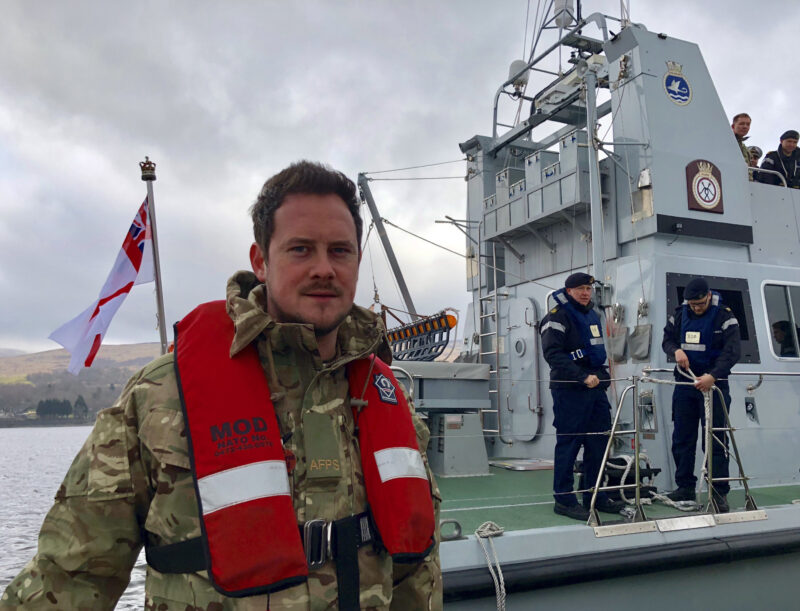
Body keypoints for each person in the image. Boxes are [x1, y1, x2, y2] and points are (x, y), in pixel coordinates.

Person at [0, 161, 442, 610]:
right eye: (301, 249)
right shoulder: (159, 397)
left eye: (340, 251)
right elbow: (69, 578)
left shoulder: (387, 397)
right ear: (260, 262)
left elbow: (417, 573)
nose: (324, 269)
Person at [540, 272, 625, 521]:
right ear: (568, 291)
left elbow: (596, 351)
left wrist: (601, 377)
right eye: (579, 289)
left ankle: (594, 494)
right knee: (569, 443)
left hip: (595, 389)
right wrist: (581, 376)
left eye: (588, 288)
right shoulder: (556, 318)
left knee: (598, 442)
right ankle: (564, 499)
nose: (585, 293)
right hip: (570, 390)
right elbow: (553, 354)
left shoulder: (593, 316)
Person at [662, 277, 741, 513]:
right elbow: (667, 339)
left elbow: (732, 351)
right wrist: (675, 350)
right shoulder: (679, 314)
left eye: (699, 304)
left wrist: (713, 376)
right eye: (692, 305)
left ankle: (718, 493)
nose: (696, 308)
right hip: (685, 385)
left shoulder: (725, 316)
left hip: (713, 386)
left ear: (708, 296)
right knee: (682, 439)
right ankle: (685, 486)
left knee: (715, 440)